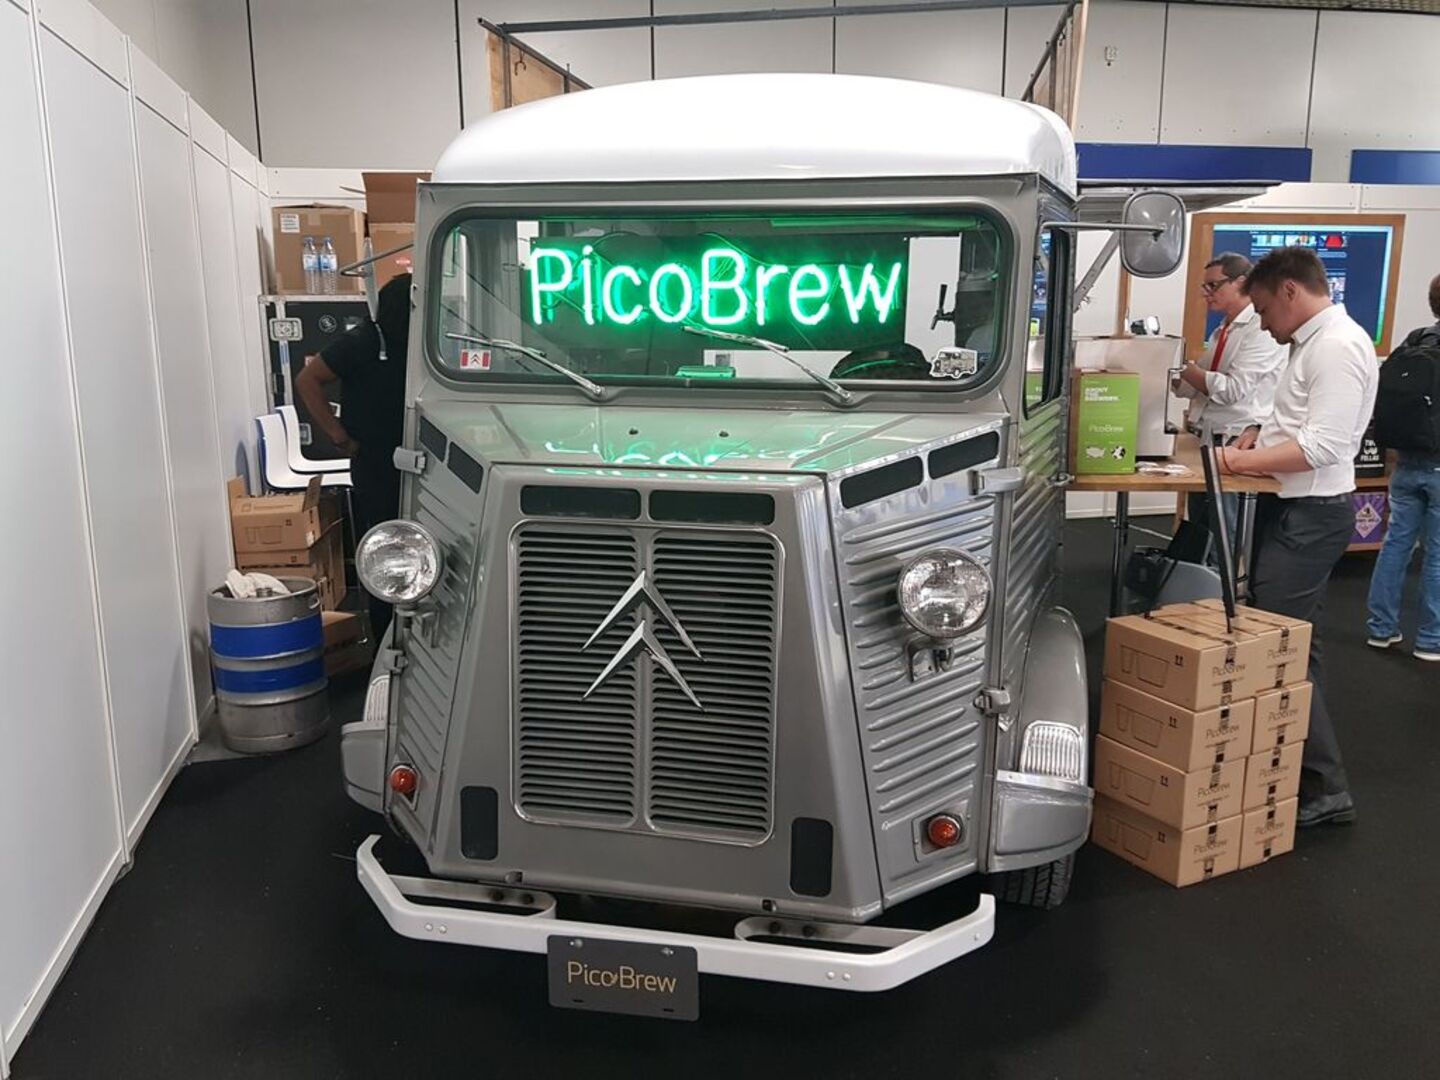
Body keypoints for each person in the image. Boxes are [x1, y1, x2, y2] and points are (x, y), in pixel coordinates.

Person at [1217, 246, 1378, 829]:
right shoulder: (1311, 343)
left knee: (1279, 647)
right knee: (1297, 646)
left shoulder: (1335, 346)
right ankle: (1298, 770)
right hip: (1295, 508)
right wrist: (1257, 436)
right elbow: (1297, 421)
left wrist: (1240, 462)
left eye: (1263, 308)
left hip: (1311, 514)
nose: (1261, 323)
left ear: (1290, 290)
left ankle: (1326, 787)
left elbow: (1325, 445)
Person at [295, 273, 411, 641]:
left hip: (415, 457)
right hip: (375, 460)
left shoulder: (420, 344)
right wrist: (339, 436)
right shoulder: (365, 340)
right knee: (384, 549)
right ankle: (383, 639)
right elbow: (308, 379)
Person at [1172, 253, 1287, 553]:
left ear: (1241, 282)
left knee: (1224, 535)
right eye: (1205, 286)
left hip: (1236, 442)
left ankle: (1225, 583)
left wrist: (1187, 368)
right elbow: (1194, 387)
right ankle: (1202, 581)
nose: (1206, 293)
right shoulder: (1222, 329)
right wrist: (1169, 370)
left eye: (1213, 285)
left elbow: (1232, 390)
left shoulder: (1259, 331)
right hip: (1208, 439)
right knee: (1202, 530)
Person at [1365, 272, 1440, 662]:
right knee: (1437, 555)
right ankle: (1430, 639)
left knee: (1395, 544)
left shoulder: (1416, 339)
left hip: (1406, 462)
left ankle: (1380, 628)